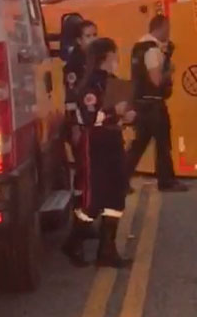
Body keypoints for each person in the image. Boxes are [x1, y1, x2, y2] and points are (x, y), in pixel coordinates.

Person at [61, 37, 134, 268]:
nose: (117, 60)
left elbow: (122, 111)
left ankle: (107, 251)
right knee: (94, 200)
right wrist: (115, 112)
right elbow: (90, 117)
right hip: (96, 144)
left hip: (113, 140)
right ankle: (73, 241)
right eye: (114, 55)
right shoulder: (90, 85)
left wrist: (129, 116)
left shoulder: (112, 82)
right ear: (106, 57)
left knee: (116, 195)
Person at [124, 14, 187, 192]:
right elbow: (156, 80)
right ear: (160, 27)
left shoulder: (139, 47)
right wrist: (169, 72)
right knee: (163, 144)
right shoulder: (153, 50)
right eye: (168, 28)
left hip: (140, 103)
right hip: (153, 105)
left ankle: (120, 181)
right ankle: (166, 181)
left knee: (138, 145)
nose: (169, 32)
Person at [63, 20, 98, 211]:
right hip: (81, 123)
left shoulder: (95, 60)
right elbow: (71, 97)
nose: (93, 39)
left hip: (93, 121)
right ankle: (80, 214)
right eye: (88, 36)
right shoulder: (74, 65)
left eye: (95, 35)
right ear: (79, 40)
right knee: (84, 169)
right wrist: (75, 126)